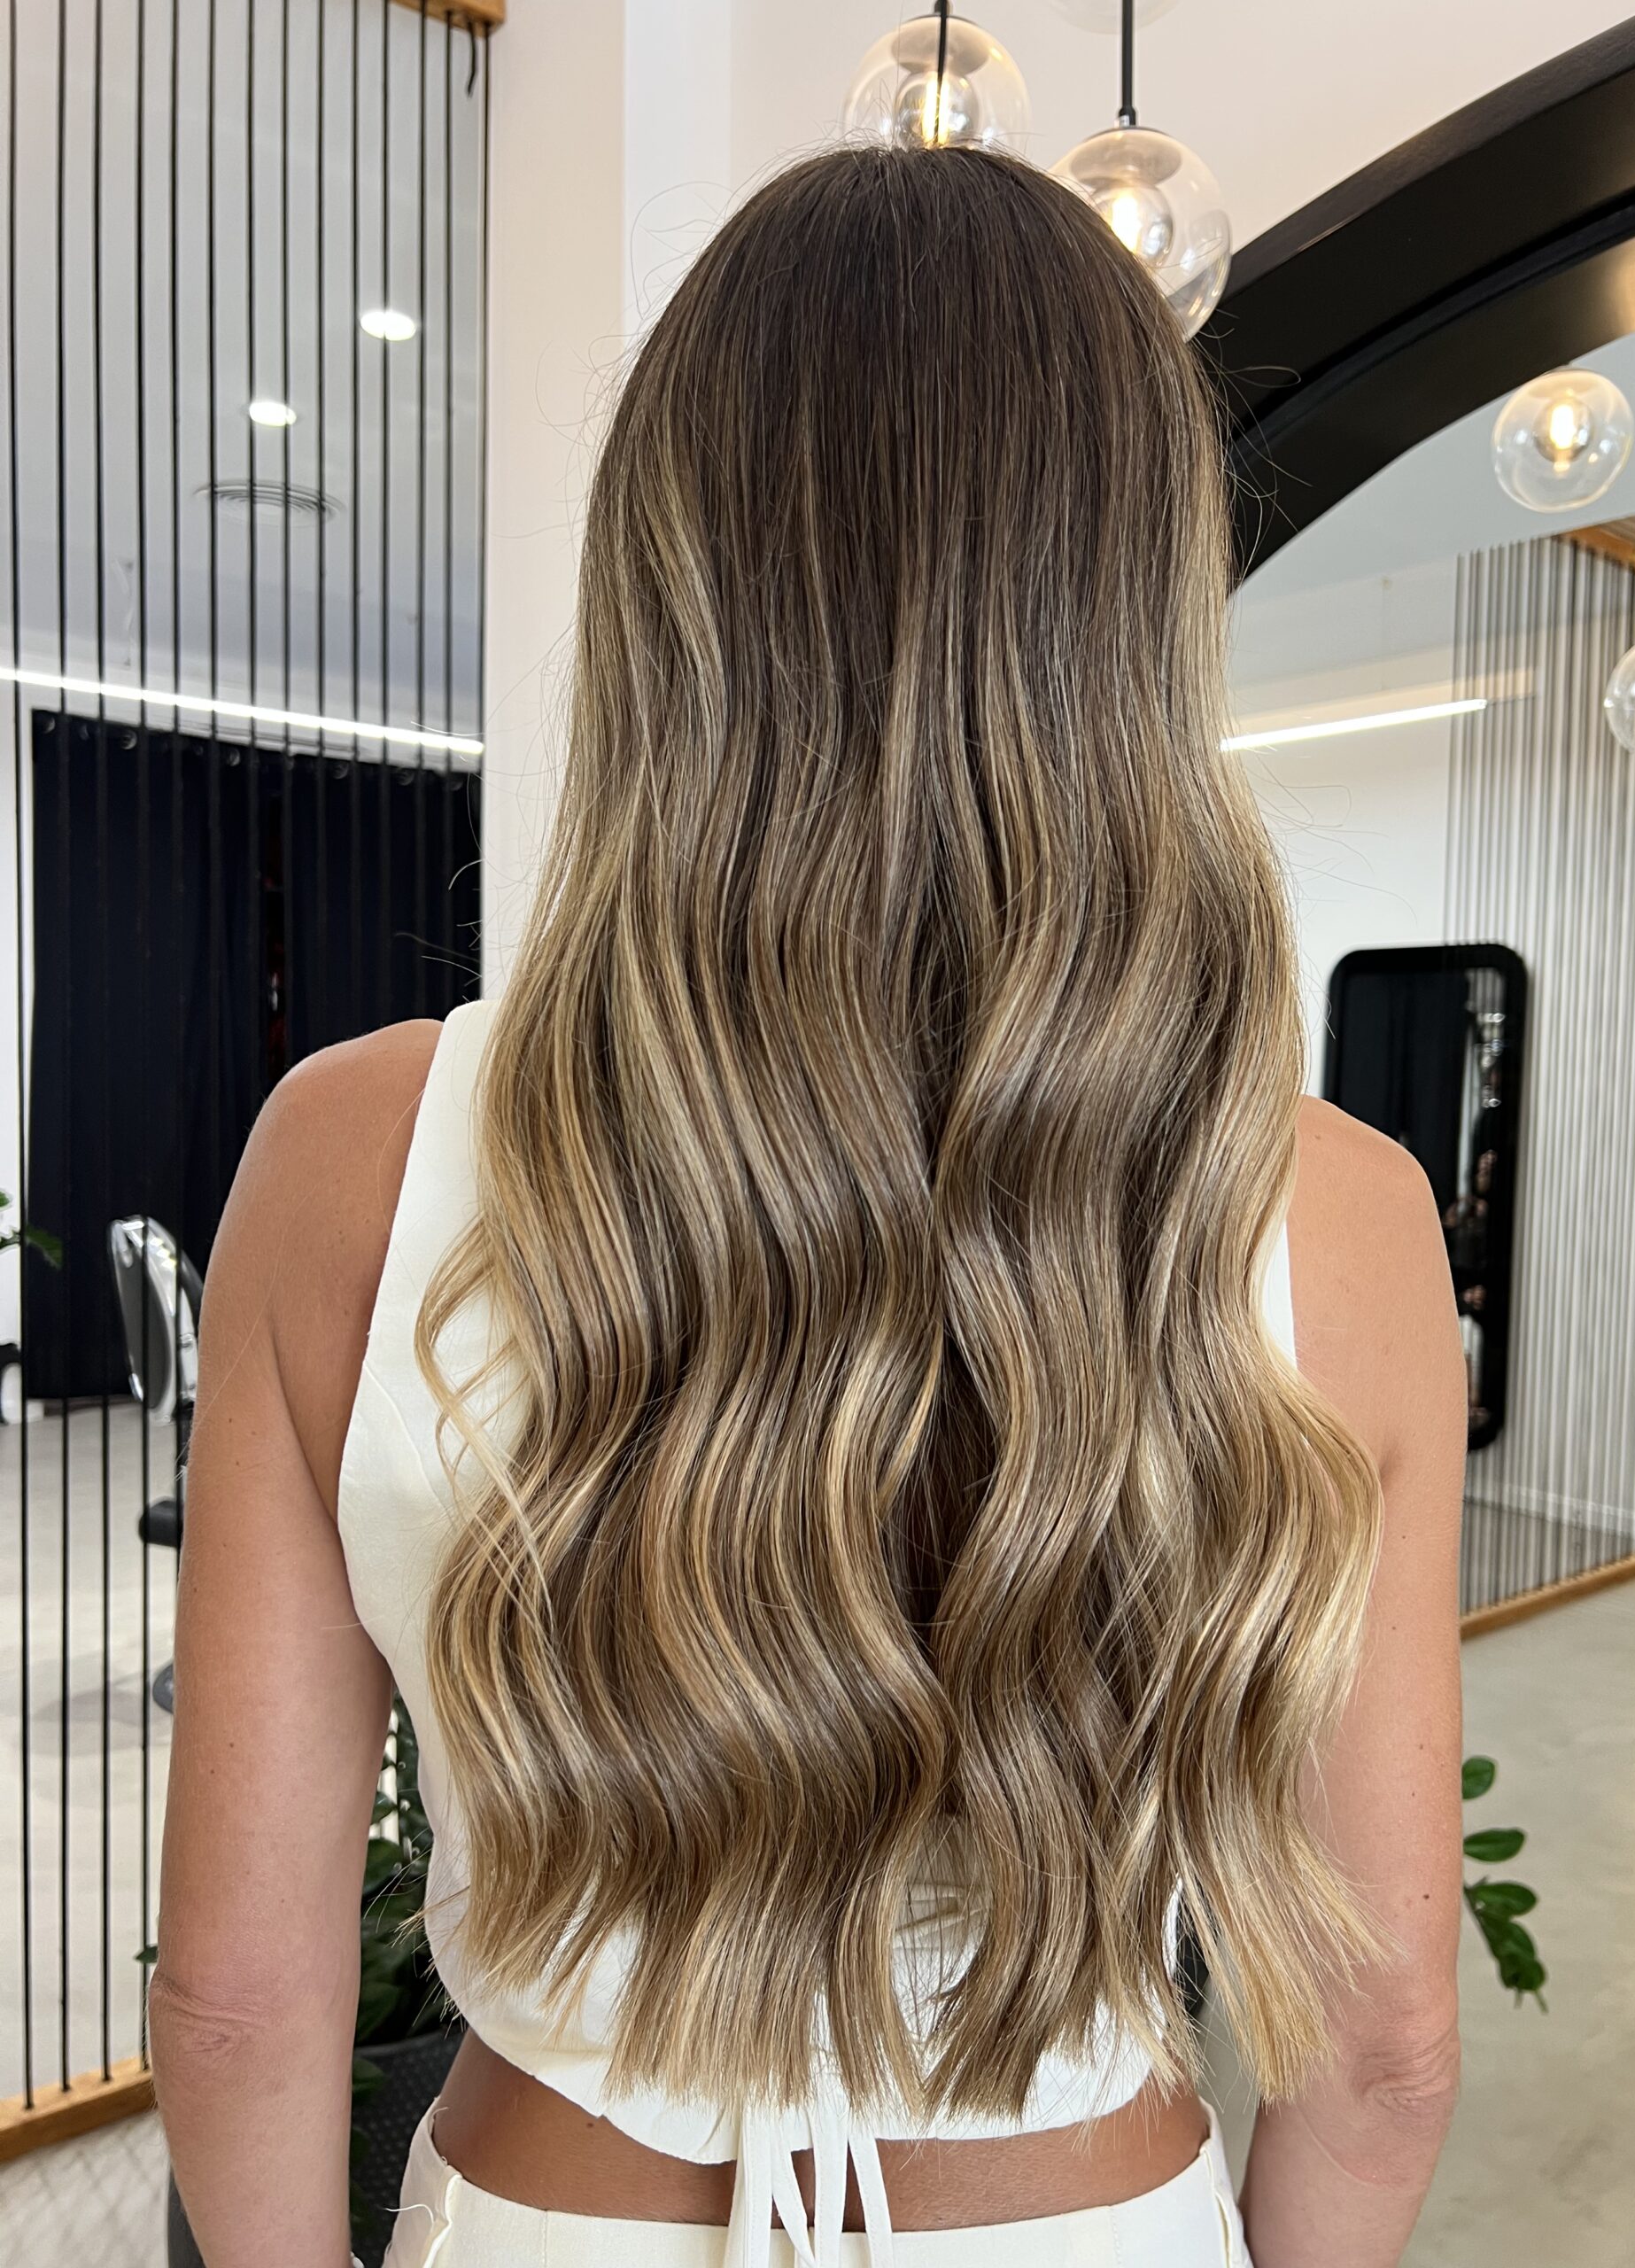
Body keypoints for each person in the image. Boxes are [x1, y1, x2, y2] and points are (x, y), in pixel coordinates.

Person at [149, 143, 1466, 2268]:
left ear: (663, 590)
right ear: (1137, 615)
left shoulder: (349, 1156)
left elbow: (238, 1997)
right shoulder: (1345, 1219)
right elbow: (1381, 2050)